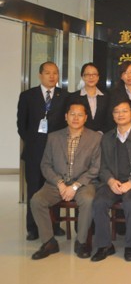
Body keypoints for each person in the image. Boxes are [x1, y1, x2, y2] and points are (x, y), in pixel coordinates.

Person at [30, 101, 101, 260]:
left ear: (86, 118)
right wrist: (59, 183)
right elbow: (45, 165)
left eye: (80, 115)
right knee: (37, 200)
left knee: (88, 200)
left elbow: (96, 168)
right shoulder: (53, 137)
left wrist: (75, 186)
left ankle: (81, 242)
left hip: (83, 184)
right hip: (57, 183)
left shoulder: (95, 138)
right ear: (66, 116)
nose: (76, 118)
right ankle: (49, 242)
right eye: (72, 114)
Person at [91, 99, 131, 262]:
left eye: (124, 111)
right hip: (112, 183)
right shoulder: (106, 137)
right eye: (116, 111)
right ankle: (104, 245)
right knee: (99, 202)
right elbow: (101, 166)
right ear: (112, 115)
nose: (120, 114)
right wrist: (110, 181)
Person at [17, 61, 68, 241]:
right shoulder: (27, 96)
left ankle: (54, 225)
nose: (52, 76)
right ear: (40, 75)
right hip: (34, 152)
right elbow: (21, 125)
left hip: (57, 153)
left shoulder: (64, 96)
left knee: (55, 188)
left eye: (55, 73)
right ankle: (33, 227)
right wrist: (35, 143)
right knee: (34, 189)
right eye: (48, 73)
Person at [69, 62, 110, 133]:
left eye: (94, 74)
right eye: (87, 74)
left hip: (102, 136)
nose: (91, 77)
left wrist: (100, 133)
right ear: (82, 77)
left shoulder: (107, 97)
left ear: (98, 77)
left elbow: (110, 119)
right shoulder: (73, 97)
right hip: (80, 136)